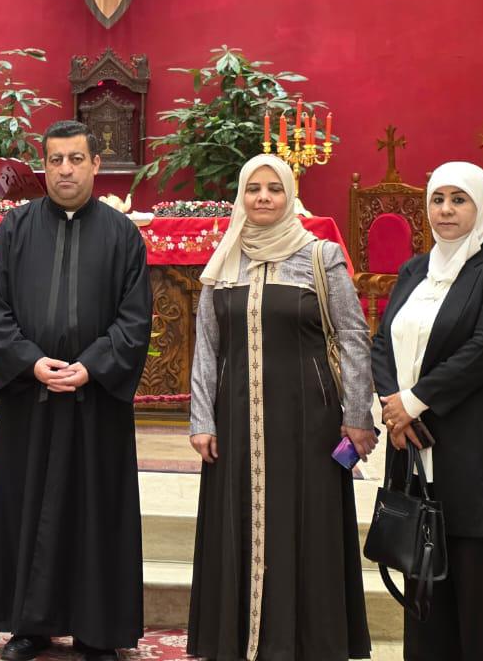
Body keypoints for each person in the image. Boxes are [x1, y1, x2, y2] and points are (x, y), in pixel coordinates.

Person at [186, 153, 374, 661]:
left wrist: (358, 414)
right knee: (238, 523)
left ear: (290, 194)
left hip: (308, 422)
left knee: (304, 526)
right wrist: (201, 418)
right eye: (254, 189)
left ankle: (305, 644)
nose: (263, 197)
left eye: (273, 188)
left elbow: (353, 336)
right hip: (235, 419)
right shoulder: (226, 257)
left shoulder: (320, 256)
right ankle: (236, 642)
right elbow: (207, 345)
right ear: (241, 196)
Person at [0, 120, 153, 661]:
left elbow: (135, 317)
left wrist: (93, 366)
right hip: (30, 399)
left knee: (95, 512)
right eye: (55, 160)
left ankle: (97, 629)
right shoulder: (14, 229)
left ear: (96, 165)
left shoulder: (122, 235)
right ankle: (28, 626)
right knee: (27, 508)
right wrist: (30, 362)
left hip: (95, 401)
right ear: (45, 166)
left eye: (76, 159)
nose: (65, 170)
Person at [372, 162, 483, 660]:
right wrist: (393, 406)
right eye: (437, 199)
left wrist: (413, 401)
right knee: (426, 600)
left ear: (482, 206)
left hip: (478, 463)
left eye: (459, 199)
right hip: (416, 456)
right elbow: (381, 342)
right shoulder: (415, 270)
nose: (446, 210)